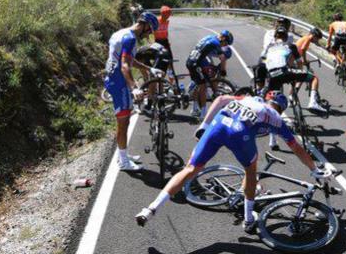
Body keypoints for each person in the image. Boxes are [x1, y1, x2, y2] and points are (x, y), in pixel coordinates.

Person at [135, 91, 332, 233]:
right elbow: (296, 147)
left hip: (219, 123)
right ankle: (248, 219)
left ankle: (151, 208)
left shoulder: (248, 98)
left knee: (190, 169)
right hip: (240, 133)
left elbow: (220, 98)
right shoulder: (276, 118)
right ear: (280, 109)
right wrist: (314, 169)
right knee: (250, 170)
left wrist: (203, 126)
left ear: (267, 98)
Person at [104, 11, 160, 171]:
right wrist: (134, 87)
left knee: (125, 120)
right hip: (119, 82)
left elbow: (129, 60)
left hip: (114, 79)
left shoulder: (121, 33)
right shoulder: (130, 39)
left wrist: (149, 68)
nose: (149, 33)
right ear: (144, 24)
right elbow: (124, 65)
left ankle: (123, 154)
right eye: (150, 30)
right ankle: (122, 161)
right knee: (123, 122)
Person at [185, 30, 234, 119]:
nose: (225, 45)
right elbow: (222, 58)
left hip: (192, 60)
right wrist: (223, 71)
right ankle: (203, 113)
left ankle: (195, 108)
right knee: (202, 86)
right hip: (196, 63)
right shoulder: (216, 43)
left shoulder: (210, 37)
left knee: (198, 84)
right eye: (226, 43)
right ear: (222, 38)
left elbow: (204, 53)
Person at [133, 41, 174, 114]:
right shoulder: (143, 51)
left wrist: (147, 85)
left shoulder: (137, 57)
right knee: (160, 79)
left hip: (160, 55)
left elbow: (144, 72)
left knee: (152, 80)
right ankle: (161, 103)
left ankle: (148, 106)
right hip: (166, 54)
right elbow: (150, 67)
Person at [293, 27, 326, 113]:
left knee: (300, 76)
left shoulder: (304, 38)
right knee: (314, 77)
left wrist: (304, 60)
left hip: (294, 59)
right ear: (314, 35)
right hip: (296, 60)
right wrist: (304, 60)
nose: (316, 41)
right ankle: (313, 102)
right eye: (317, 39)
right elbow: (303, 49)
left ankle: (293, 95)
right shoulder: (308, 38)